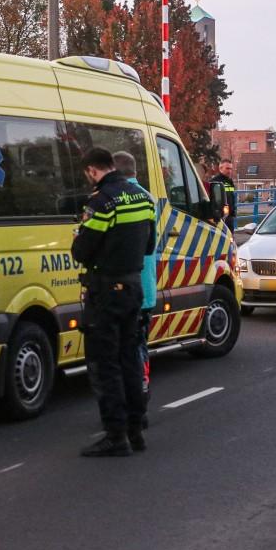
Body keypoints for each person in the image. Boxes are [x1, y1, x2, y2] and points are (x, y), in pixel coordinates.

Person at [71, 147, 156, 457]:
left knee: (105, 365)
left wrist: (80, 236)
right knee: (130, 359)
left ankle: (115, 436)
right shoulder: (143, 199)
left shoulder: (101, 203)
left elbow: (81, 252)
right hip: (134, 288)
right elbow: (149, 246)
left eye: (88, 175)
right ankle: (136, 431)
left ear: (93, 171)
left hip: (105, 292)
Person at [112, 150, 157, 430]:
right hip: (147, 288)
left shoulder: (118, 200)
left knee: (125, 351)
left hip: (126, 288)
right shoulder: (147, 199)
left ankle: (133, 405)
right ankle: (140, 395)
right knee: (140, 346)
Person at [208, 158, 237, 231]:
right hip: (220, 217)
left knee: (230, 238)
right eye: (227, 168)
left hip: (229, 216)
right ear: (220, 168)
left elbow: (232, 197)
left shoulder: (230, 181)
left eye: (231, 169)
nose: (229, 171)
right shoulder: (214, 182)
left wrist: (233, 212)